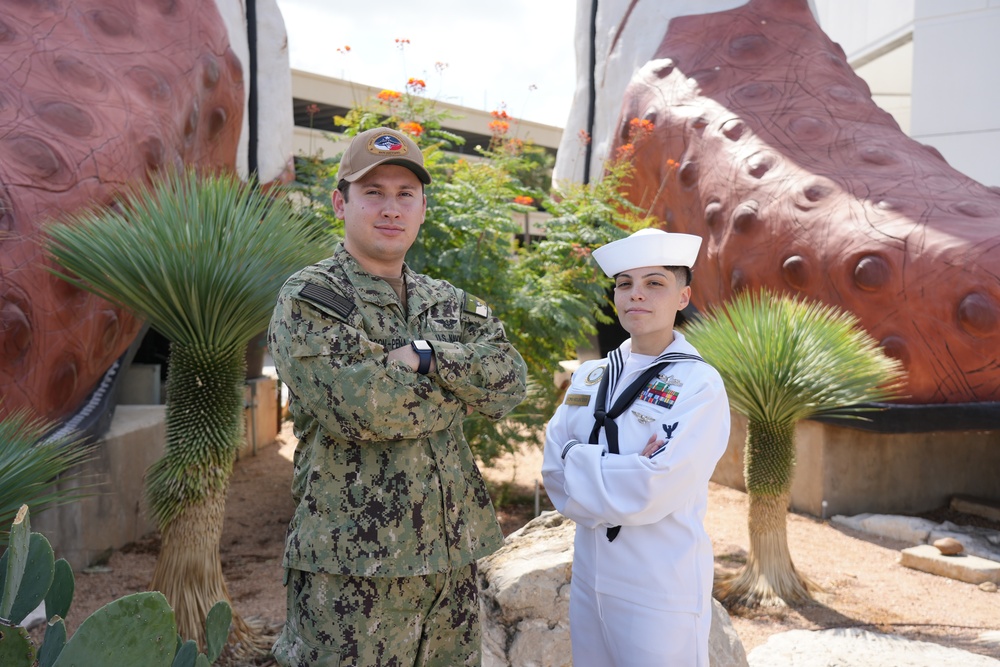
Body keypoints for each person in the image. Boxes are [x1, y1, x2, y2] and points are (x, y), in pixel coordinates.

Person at [268, 126, 528, 667]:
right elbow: (362, 410)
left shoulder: (447, 303)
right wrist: (461, 391)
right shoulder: (312, 299)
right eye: (374, 193)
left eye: (405, 195)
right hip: (353, 572)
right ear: (341, 203)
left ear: (423, 207)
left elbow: (509, 383)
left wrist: (430, 357)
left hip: (451, 563)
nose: (391, 209)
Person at [541, 228, 731, 667]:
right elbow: (552, 467)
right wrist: (621, 468)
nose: (636, 295)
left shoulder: (698, 384)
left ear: (683, 297)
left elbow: (655, 488)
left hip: (659, 586)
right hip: (591, 579)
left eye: (654, 283)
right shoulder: (590, 376)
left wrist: (580, 462)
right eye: (624, 284)